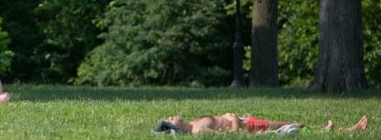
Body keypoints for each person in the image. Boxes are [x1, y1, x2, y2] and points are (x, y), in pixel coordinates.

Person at [156, 113, 369, 134]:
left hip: (247, 121)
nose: (172, 116)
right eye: (170, 119)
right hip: (249, 127)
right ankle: (349, 131)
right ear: (173, 126)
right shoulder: (198, 131)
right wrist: (234, 121)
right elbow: (230, 137)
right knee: (296, 127)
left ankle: (325, 130)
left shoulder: (194, 123)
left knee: (295, 124)